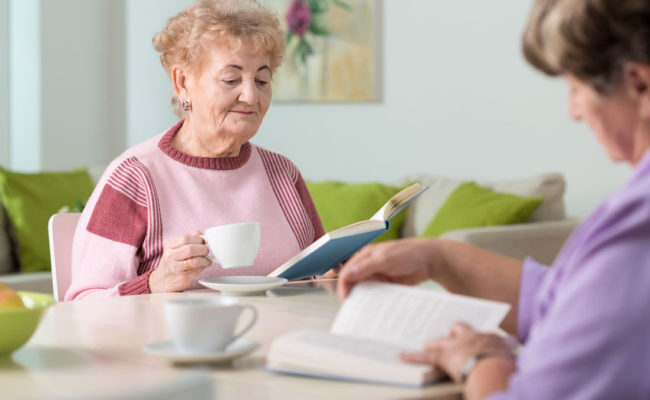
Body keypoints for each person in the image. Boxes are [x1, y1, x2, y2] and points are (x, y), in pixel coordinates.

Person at [338, 0, 650, 398]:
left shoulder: (637, 229)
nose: (572, 111)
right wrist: (439, 257)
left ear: (639, 84)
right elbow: (564, 301)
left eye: (575, 88)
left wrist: (479, 362)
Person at [66, 0, 324, 300]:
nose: (251, 95)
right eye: (231, 79)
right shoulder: (134, 177)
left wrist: (334, 273)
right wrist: (154, 283)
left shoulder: (283, 174)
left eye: (262, 80)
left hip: (277, 341)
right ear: (183, 82)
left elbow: (316, 276)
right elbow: (81, 305)